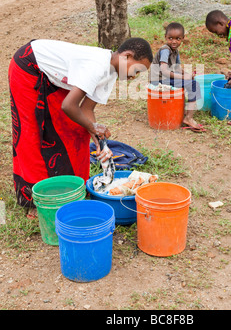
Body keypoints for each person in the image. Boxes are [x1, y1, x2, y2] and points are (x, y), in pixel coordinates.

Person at [8, 37, 153, 212]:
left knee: (75, 130)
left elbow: (86, 110)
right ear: (127, 56)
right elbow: (68, 106)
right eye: (137, 70)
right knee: (32, 134)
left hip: (53, 77)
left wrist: (98, 138)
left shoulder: (111, 73)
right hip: (29, 67)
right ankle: (33, 201)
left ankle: (74, 189)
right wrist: (92, 127)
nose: (134, 76)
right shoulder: (96, 66)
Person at [150, 22, 205, 132]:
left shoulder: (175, 51)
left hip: (165, 79)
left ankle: (184, 110)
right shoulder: (165, 50)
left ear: (182, 39)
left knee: (191, 81)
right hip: (159, 81)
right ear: (165, 37)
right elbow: (164, 71)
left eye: (177, 39)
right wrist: (183, 78)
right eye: (170, 38)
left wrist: (187, 74)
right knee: (193, 85)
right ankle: (188, 117)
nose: (174, 41)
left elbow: (177, 68)